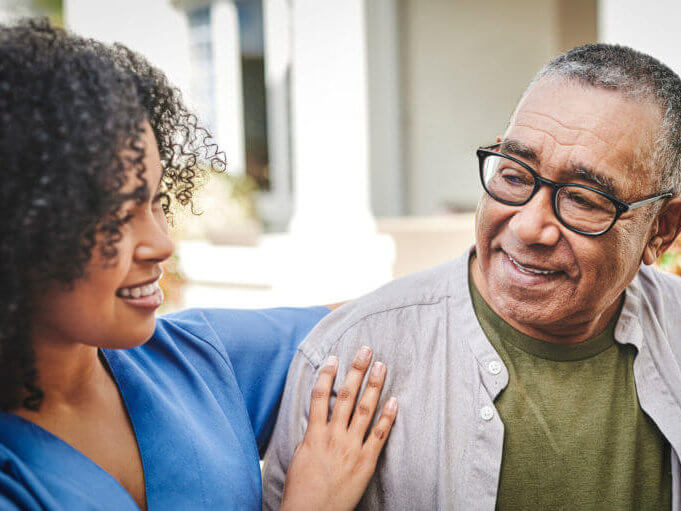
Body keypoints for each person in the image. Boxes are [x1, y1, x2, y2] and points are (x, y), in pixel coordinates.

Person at [0, 19, 398, 510]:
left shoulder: (195, 360)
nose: (162, 244)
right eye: (115, 216)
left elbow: (398, 320)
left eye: (156, 200)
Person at [263, 43, 681, 510]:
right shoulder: (346, 364)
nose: (527, 226)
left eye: (583, 198)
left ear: (660, 231)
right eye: (516, 175)